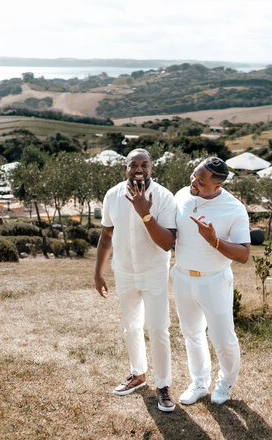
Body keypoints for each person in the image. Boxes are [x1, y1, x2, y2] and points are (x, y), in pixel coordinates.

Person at [93, 148, 177, 412]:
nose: (139, 169)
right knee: (131, 327)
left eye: (144, 164)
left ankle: (163, 386)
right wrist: (98, 272)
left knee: (158, 328)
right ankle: (138, 375)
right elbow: (106, 235)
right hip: (125, 272)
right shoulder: (112, 195)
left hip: (154, 272)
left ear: (152, 168)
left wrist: (145, 213)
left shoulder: (163, 197)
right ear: (125, 168)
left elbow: (167, 243)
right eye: (133, 165)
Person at [172, 157, 251, 406]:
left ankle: (225, 382)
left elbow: (244, 254)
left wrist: (214, 240)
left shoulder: (234, 209)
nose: (193, 181)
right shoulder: (182, 194)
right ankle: (199, 382)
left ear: (217, 186)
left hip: (214, 281)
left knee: (223, 337)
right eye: (194, 175)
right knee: (192, 334)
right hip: (182, 276)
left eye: (201, 180)